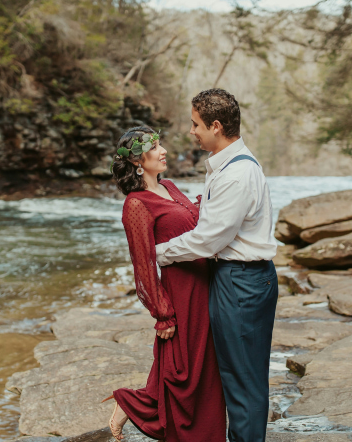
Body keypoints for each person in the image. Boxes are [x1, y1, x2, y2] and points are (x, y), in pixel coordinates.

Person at [155, 88, 278, 442]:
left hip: (242, 283)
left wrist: (159, 253)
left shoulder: (236, 175)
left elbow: (209, 239)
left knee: (243, 382)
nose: (191, 131)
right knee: (236, 376)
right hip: (237, 280)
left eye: (196, 125)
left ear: (217, 126)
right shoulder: (226, 167)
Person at [104, 126, 227, 441]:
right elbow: (143, 263)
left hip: (205, 286)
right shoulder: (136, 204)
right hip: (180, 293)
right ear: (136, 161)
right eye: (155, 147)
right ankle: (132, 406)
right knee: (180, 371)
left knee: (206, 369)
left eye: (161, 145)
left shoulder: (170, 187)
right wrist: (162, 313)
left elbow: (194, 225)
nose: (164, 152)